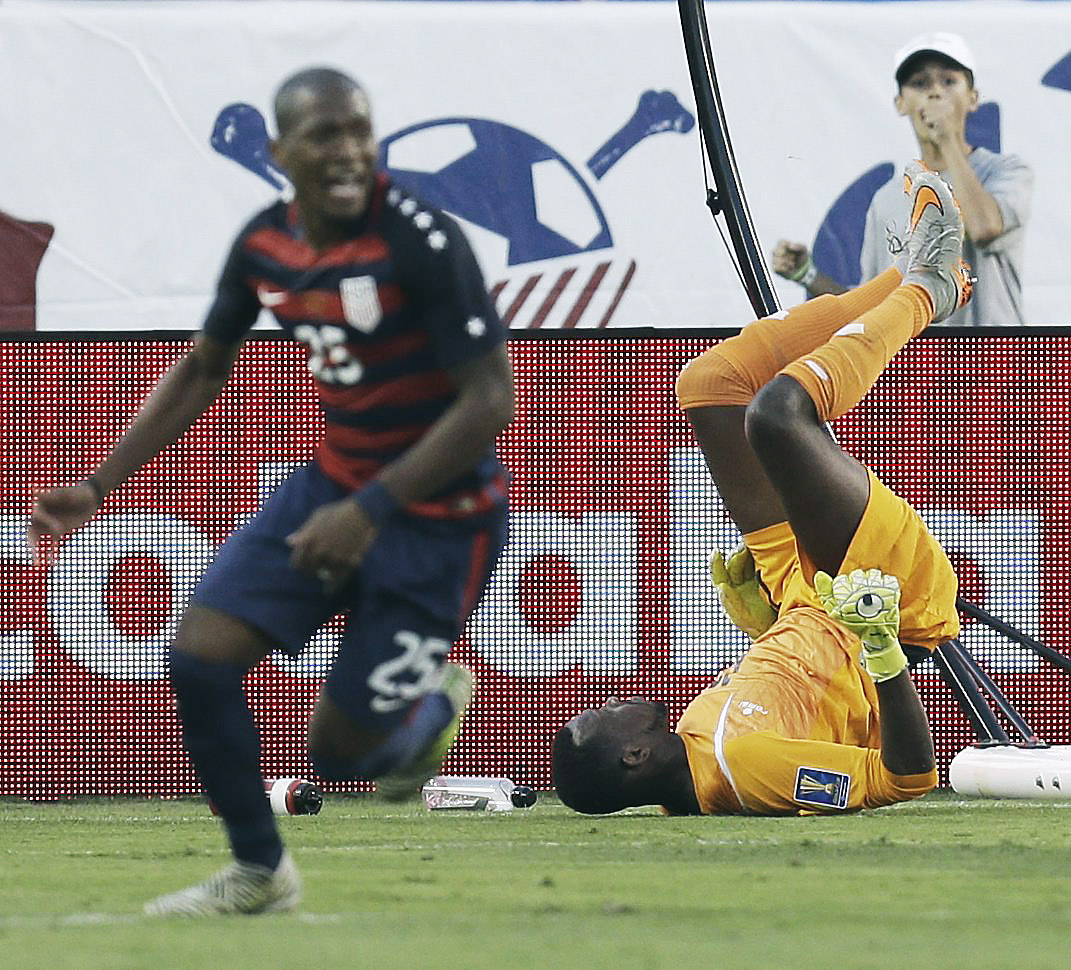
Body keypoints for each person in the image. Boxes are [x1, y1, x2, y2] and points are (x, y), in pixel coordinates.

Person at [29, 67, 514, 914]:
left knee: (338, 757)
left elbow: (490, 401)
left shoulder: (420, 240)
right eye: (325, 134)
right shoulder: (264, 244)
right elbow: (202, 368)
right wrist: (99, 482)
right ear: (279, 150)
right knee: (198, 656)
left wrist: (368, 511)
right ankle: (260, 871)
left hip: (441, 522)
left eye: (358, 131)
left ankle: (430, 710)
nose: (347, 150)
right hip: (331, 487)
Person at [553, 162, 970, 816]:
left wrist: (766, 622)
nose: (608, 700)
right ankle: (925, 290)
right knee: (777, 416)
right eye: (599, 715)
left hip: (801, 600)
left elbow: (798, 698)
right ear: (633, 755)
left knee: (708, 386)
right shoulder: (743, 769)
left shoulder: (694, 747)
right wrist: (883, 647)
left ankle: (902, 277)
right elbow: (904, 779)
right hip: (870, 605)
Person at [772, 32, 1032, 327]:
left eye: (949, 81)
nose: (935, 93)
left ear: (973, 98)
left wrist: (947, 139)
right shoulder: (888, 198)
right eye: (920, 84)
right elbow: (873, 310)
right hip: (918, 357)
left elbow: (984, 228)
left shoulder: (1006, 172)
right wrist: (808, 275)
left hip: (993, 354)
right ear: (900, 103)